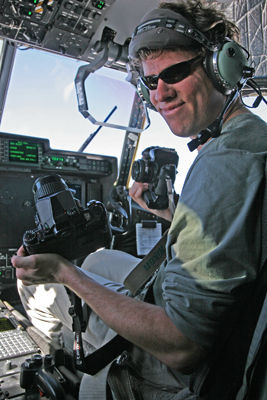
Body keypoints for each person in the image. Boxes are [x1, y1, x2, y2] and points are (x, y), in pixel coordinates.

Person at [12, 1, 267, 399]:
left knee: (33, 284)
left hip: (171, 369)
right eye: (149, 82)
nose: (159, 94)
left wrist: (63, 273)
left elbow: (182, 345)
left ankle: (79, 368)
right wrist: (170, 212)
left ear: (223, 66)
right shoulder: (249, 139)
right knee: (97, 258)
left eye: (175, 73)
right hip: (196, 310)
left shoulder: (226, 162)